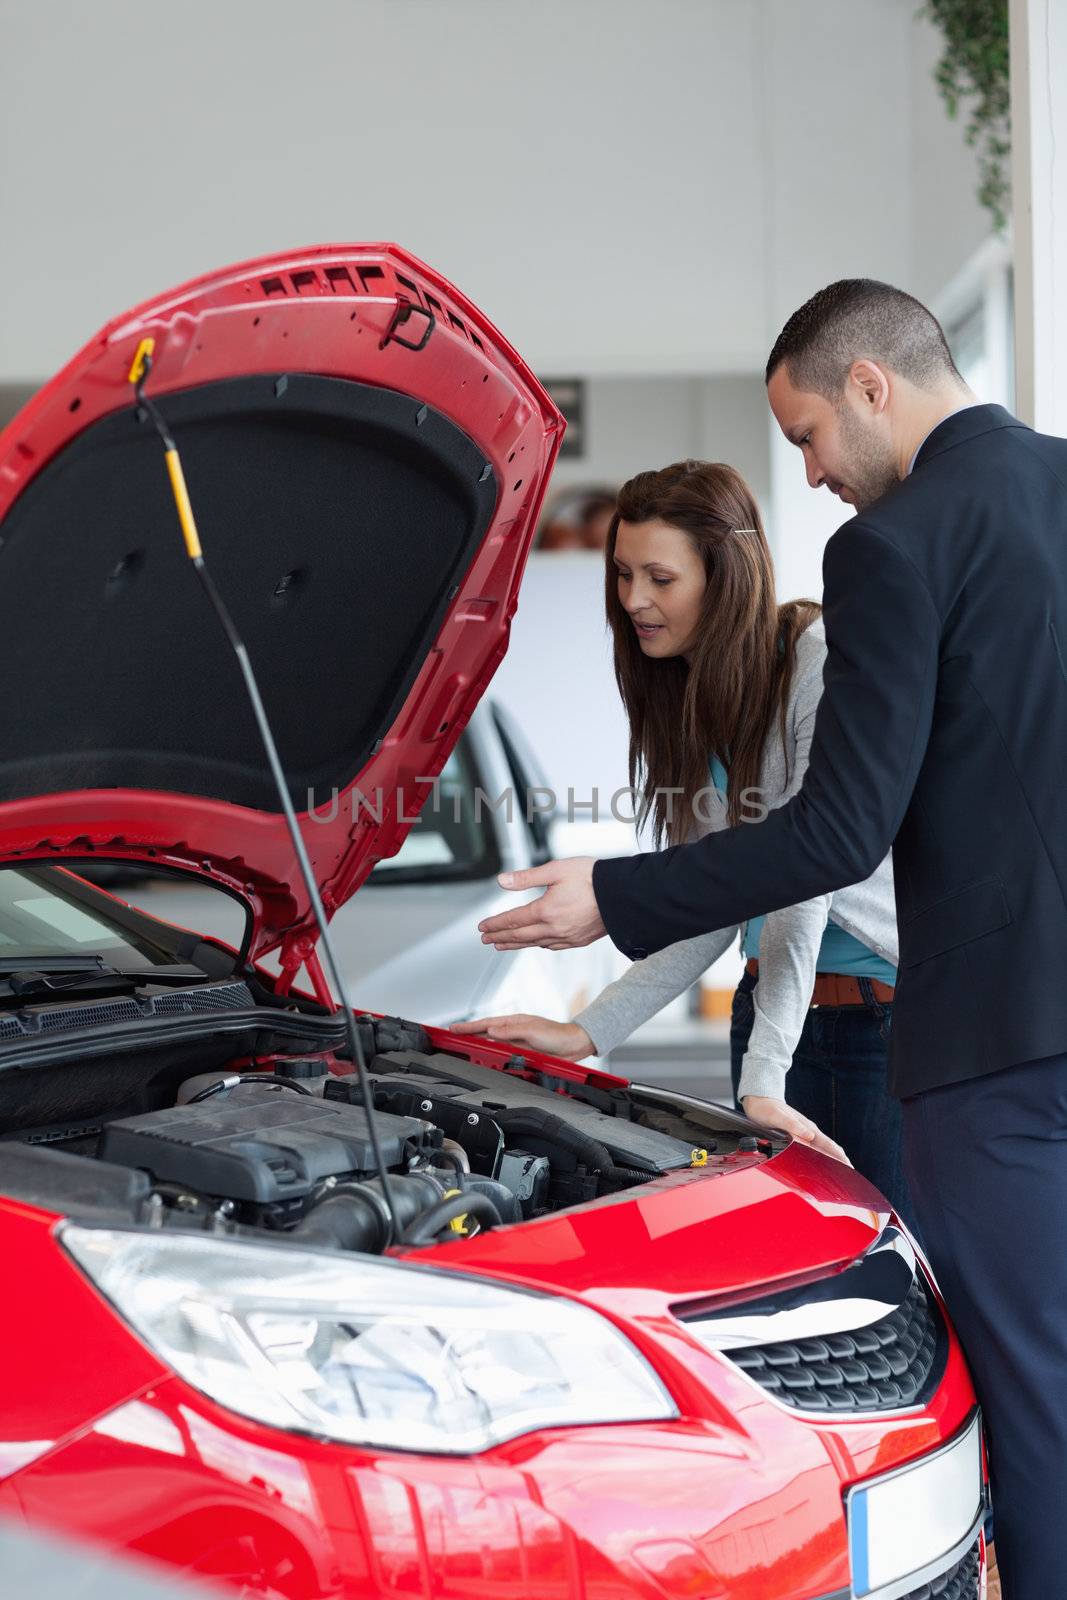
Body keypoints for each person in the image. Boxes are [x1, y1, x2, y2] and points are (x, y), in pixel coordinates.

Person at [478, 278, 1064, 1599]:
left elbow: (832, 837)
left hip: (985, 1055)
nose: (807, 475)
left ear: (868, 383)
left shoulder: (892, 548)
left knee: (1022, 1402)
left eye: (805, 436)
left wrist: (609, 895)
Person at [465, 459, 913, 1219]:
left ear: (725, 576)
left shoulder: (816, 663)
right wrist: (585, 1030)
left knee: (892, 1274)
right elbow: (718, 897)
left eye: (659, 578)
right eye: (622, 575)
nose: (633, 599)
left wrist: (763, 1077)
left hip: (872, 1028)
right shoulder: (694, 695)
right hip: (769, 1014)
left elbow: (804, 878)